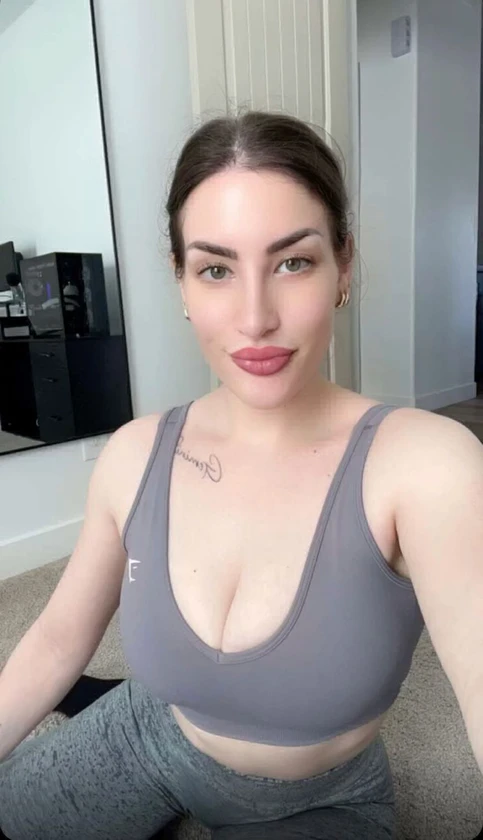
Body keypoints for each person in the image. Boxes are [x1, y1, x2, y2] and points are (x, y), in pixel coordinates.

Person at [0, 110, 482, 840]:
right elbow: (58, 639)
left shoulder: (425, 464)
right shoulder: (134, 454)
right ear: (181, 281)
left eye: (293, 262)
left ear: (343, 266)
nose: (255, 319)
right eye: (216, 269)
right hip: (149, 734)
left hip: (322, 798)